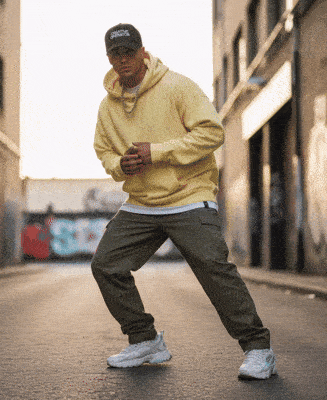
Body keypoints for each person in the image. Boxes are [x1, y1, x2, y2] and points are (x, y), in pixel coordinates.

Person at [91, 23, 277, 380]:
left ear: (142, 53)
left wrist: (157, 152)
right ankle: (145, 340)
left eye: (129, 52)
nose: (123, 59)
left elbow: (212, 133)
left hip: (189, 196)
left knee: (214, 269)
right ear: (109, 58)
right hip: (142, 202)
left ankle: (258, 349)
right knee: (106, 265)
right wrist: (119, 165)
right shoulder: (107, 107)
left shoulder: (177, 86)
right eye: (116, 54)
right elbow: (104, 150)